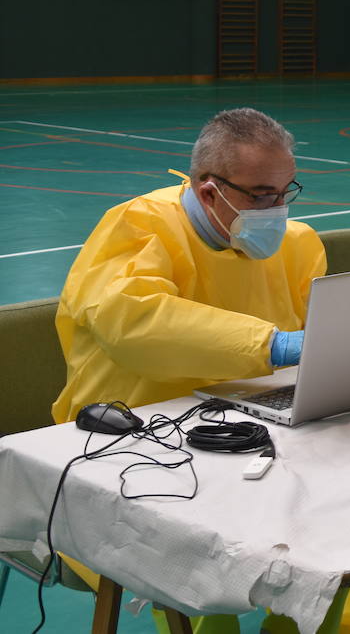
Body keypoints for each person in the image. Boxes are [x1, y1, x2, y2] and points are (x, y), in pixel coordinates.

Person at [53, 107, 322, 422]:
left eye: (285, 192)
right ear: (209, 193)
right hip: (137, 425)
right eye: (262, 196)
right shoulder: (139, 226)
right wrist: (272, 345)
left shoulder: (298, 243)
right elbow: (133, 323)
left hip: (250, 416)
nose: (278, 210)